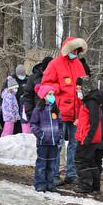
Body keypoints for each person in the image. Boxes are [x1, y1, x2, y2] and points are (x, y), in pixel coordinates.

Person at [41, 36, 88, 186]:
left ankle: (71, 174)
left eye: (77, 50)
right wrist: (58, 88)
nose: (75, 52)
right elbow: (45, 84)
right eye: (73, 50)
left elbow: (83, 85)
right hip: (60, 110)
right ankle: (53, 174)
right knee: (58, 143)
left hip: (77, 111)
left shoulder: (79, 65)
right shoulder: (54, 64)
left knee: (75, 143)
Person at [74, 77, 103, 193]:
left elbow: (94, 122)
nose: (78, 90)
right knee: (90, 160)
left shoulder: (91, 101)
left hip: (87, 136)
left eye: (79, 87)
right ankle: (94, 185)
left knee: (80, 160)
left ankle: (85, 185)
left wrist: (88, 137)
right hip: (88, 135)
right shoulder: (90, 100)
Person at [30, 84, 63, 192]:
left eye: (53, 94)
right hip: (43, 143)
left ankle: (50, 183)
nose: (52, 96)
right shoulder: (38, 110)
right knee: (42, 164)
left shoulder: (55, 110)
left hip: (54, 143)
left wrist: (60, 136)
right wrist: (42, 135)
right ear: (44, 96)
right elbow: (33, 125)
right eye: (49, 94)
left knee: (51, 165)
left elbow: (60, 124)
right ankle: (40, 183)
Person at [23, 56, 53, 121]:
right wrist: (30, 114)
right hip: (38, 114)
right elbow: (28, 97)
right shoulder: (33, 79)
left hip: (54, 114)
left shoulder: (55, 77)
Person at [1, 64, 28, 134]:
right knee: (9, 128)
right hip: (12, 112)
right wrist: (13, 116)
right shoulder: (12, 80)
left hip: (22, 104)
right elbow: (9, 105)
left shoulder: (27, 79)